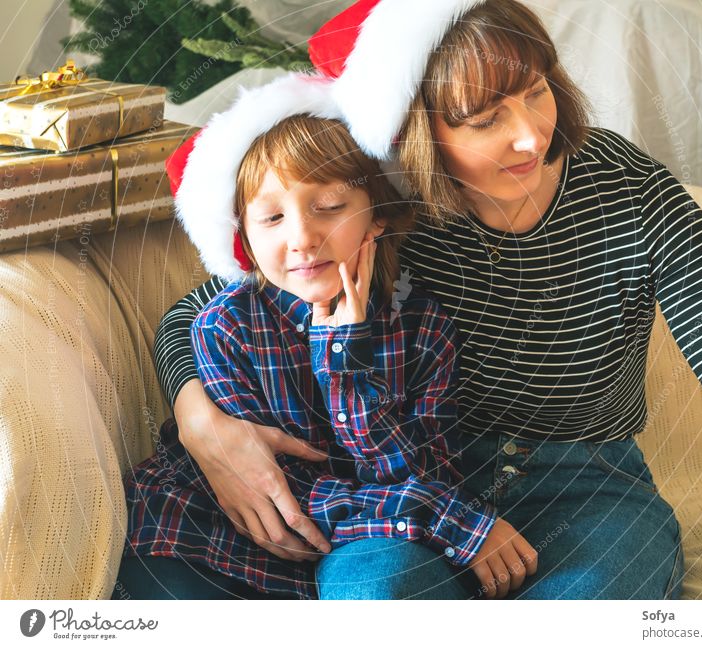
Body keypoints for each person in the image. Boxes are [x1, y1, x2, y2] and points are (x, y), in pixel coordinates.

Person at [152, 0, 702, 599]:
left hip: (589, 487)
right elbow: (202, 310)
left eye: (537, 91)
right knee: (374, 599)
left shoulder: (631, 193)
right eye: (485, 119)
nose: (529, 137)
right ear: (420, 132)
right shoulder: (388, 205)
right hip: (418, 487)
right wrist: (201, 422)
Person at [117, 72, 537, 600]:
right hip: (201, 540)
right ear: (243, 236)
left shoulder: (423, 328)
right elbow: (281, 494)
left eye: (330, 207)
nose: (302, 238)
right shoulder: (227, 328)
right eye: (271, 217)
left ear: (377, 218)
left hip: (342, 553)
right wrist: (458, 526)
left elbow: (424, 473)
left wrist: (344, 361)